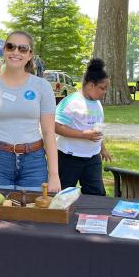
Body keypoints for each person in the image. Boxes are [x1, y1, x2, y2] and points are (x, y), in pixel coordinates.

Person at [0, 31, 61, 193]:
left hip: (34, 162)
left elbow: (48, 133)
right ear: (4, 50)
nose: (16, 52)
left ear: (30, 54)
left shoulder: (42, 86)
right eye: (11, 47)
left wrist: (54, 175)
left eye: (23, 48)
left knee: (32, 214)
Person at [54, 58, 112, 196]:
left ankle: (93, 218)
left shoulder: (97, 103)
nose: (104, 92)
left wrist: (102, 148)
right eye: (102, 88)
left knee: (96, 195)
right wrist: (83, 134)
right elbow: (56, 126)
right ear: (91, 85)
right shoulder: (71, 101)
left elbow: (97, 128)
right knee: (63, 196)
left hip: (92, 158)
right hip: (69, 158)